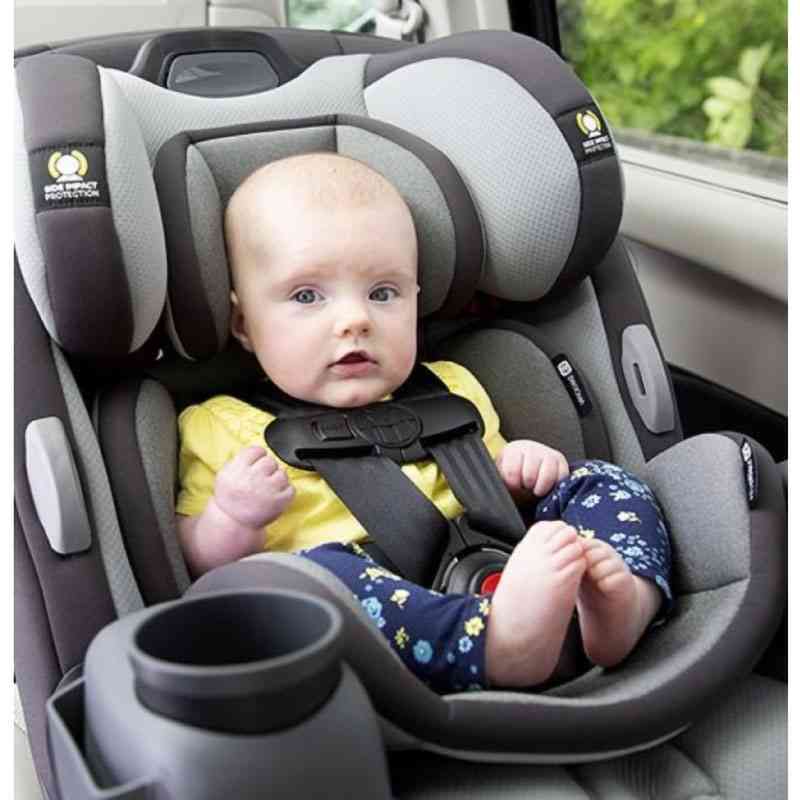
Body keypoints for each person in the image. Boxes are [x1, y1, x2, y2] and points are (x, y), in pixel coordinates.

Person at [176, 152, 672, 693]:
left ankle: (624, 601)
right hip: (370, 622)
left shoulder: (453, 388)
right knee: (319, 577)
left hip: (498, 566)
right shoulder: (220, 426)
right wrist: (231, 517)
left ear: (416, 300)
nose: (355, 320)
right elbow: (200, 560)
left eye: (383, 293)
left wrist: (522, 467)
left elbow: (497, 485)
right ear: (245, 322)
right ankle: (497, 647)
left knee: (601, 481)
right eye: (307, 296)